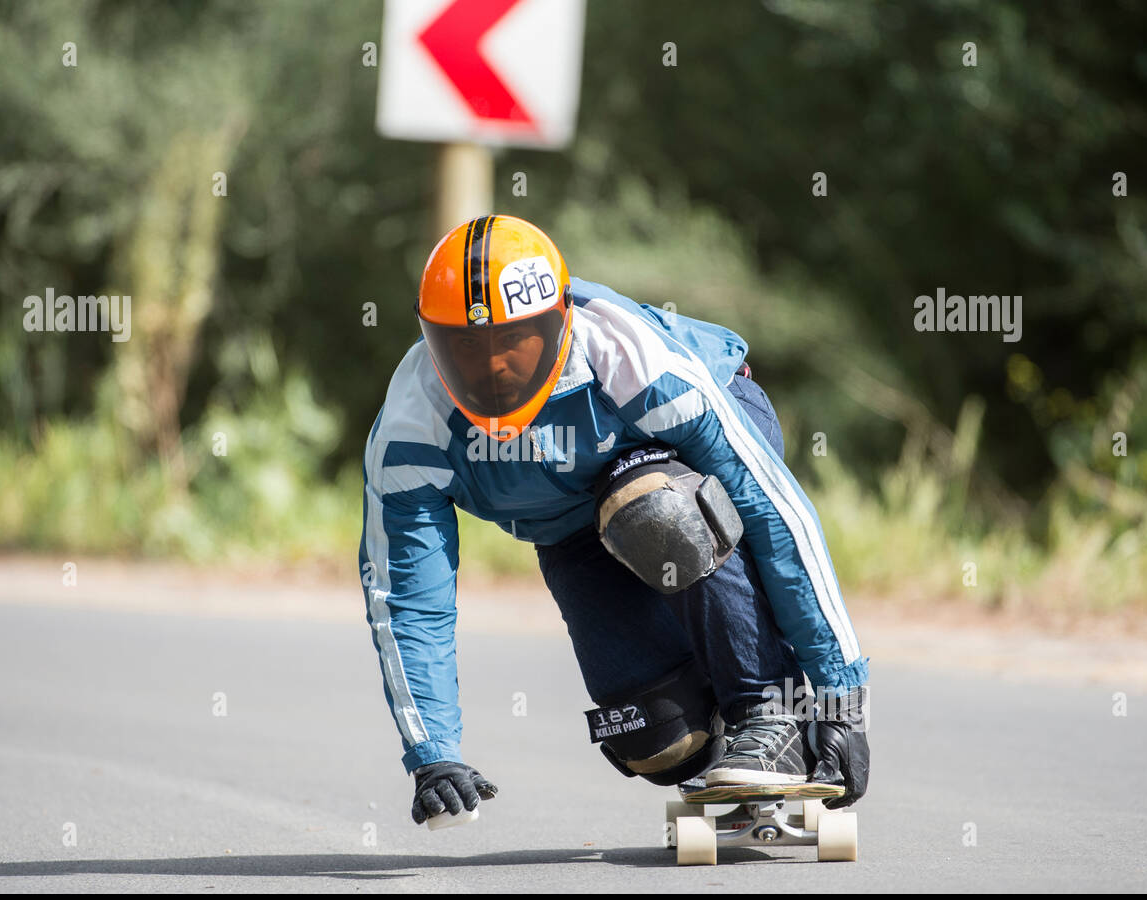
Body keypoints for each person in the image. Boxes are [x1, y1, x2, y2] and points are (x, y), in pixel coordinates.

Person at [359, 214, 869, 827]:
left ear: (561, 322)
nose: (494, 367)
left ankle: (770, 714)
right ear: (430, 340)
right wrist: (432, 755)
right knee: (658, 735)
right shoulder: (412, 428)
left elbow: (774, 513)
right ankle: (736, 733)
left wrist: (842, 696)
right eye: (467, 347)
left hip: (683, 454)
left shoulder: (626, 358)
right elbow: (410, 602)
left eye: (514, 343)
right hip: (572, 529)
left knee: (657, 510)